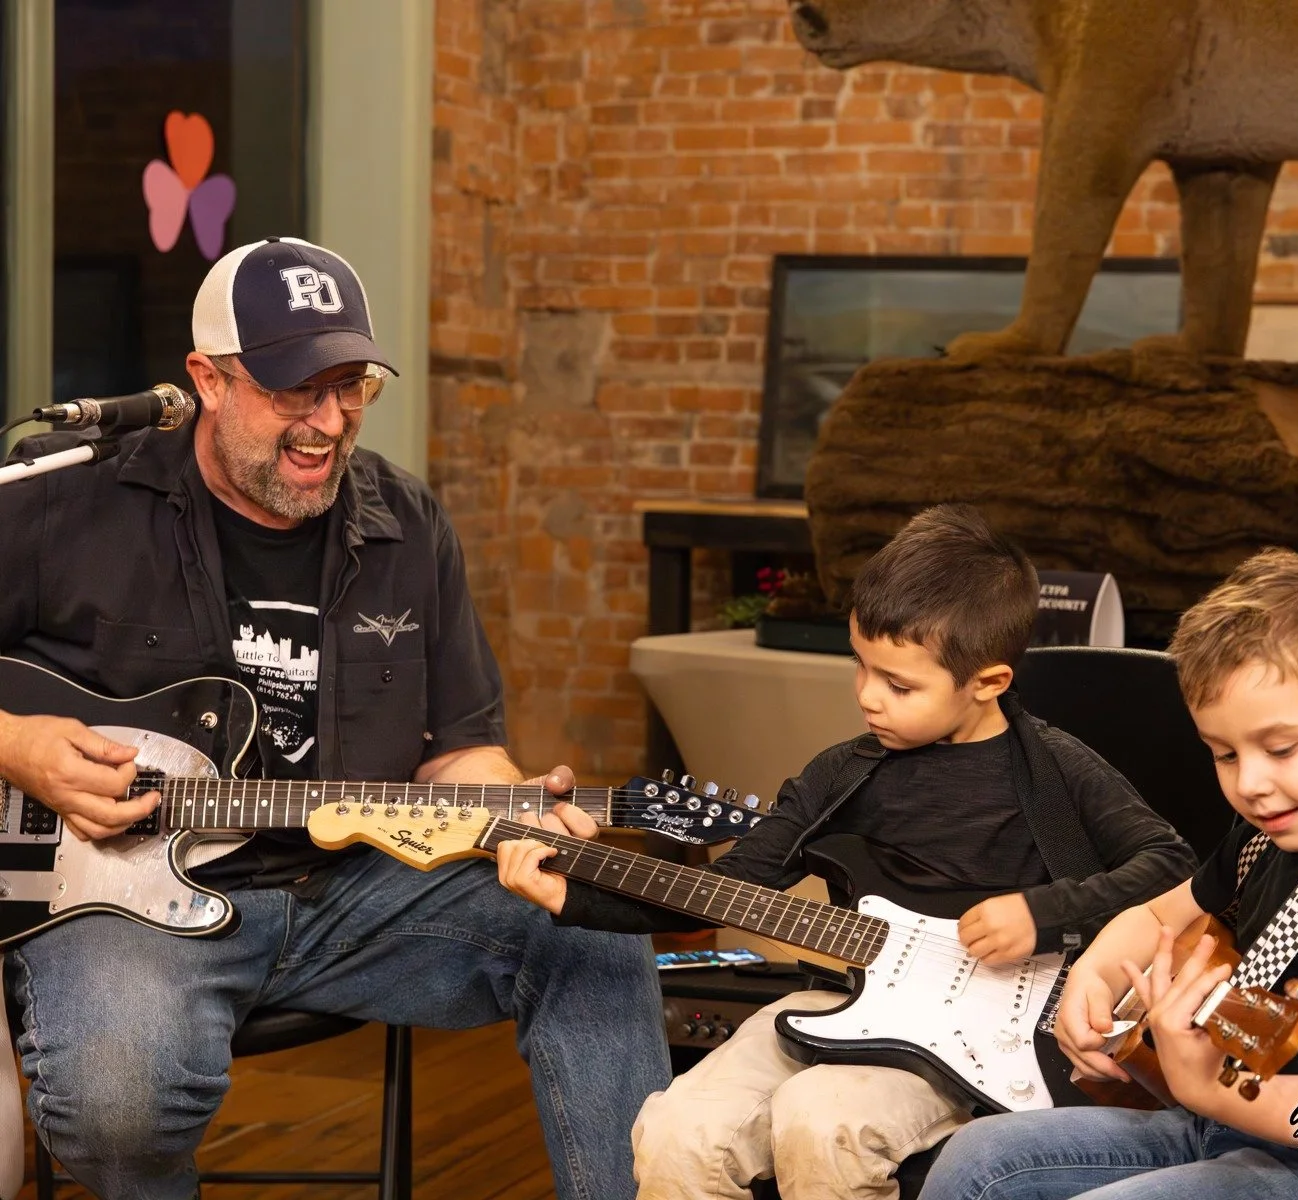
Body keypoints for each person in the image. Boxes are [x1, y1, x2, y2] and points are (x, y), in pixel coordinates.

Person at [0, 236, 668, 1200]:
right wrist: (18, 745)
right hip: (122, 893)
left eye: (352, 386)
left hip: (356, 889)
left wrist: (517, 807)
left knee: (591, 923)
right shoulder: (67, 500)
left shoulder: (406, 522)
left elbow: (458, 749)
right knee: (117, 1099)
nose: (329, 422)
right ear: (207, 380)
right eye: (295, 391)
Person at [497, 503, 1198, 1200]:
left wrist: (1042, 914)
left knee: (825, 1121)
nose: (868, 697)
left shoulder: (1057, 770)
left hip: (992, 1037)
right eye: (860, 667)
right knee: (677, 1130)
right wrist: (575, 892)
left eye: (899, 685)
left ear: (988, 682)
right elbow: (733, 884)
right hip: (847, 1001)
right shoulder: (843, 772)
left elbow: (1171, 868)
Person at [919, 549, 1298, 1200]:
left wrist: (1202, 1087)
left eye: (1280, 749)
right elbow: (1158, 915)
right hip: (1230, 1132)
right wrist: (1096, 972)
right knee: (979, 1159)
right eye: (1224, 754)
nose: (1250, 784)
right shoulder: (1268, 837)